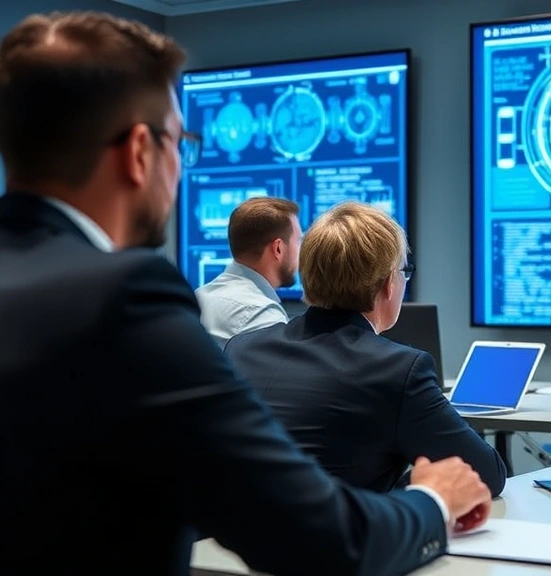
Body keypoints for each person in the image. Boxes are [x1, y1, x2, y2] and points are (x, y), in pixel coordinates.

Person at [0, 11, 490, 575]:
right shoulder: (124, 299)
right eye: (180, 141)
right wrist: (432, 500)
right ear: (140, 152)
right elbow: (318, 537)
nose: (181, 166)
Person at [226, 201, 508, 496]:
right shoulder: (398, 371)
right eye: (404, 271)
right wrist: (417, 485)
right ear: (388, 283)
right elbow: (486, 474)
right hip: (332, 536)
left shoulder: (242, 349)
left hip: (229, 536)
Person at [195, 197, 299, 347]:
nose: (300, 252)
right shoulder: (261, 315)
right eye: (298, 241)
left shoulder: (199, 297)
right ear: (278, 249)